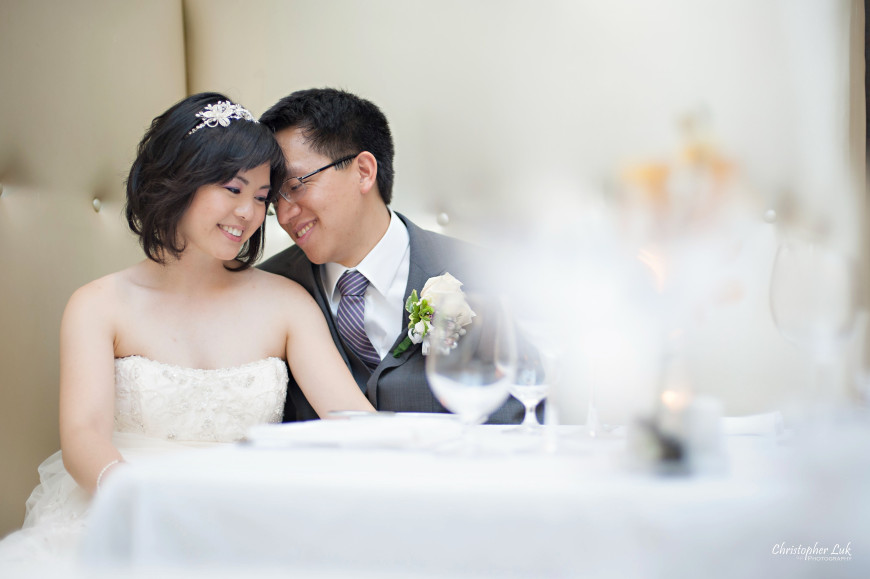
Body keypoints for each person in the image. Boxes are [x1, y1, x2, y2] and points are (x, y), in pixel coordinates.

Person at [0, 92, 374, 563]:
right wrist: (149, 506)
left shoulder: (287, 304)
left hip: (250, 521)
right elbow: (82, 436)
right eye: (233, 189)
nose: (248, 213)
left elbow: (355, 423)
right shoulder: (98, 305)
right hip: (129, 513)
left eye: (261, 198)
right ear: (179, 180)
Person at [258, 88, 523, 423]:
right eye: (273, 199)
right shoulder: (270, 288)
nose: (284, 215)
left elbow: (517, 415)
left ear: (364, 171)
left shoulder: (484, 273)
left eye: (295, 186)